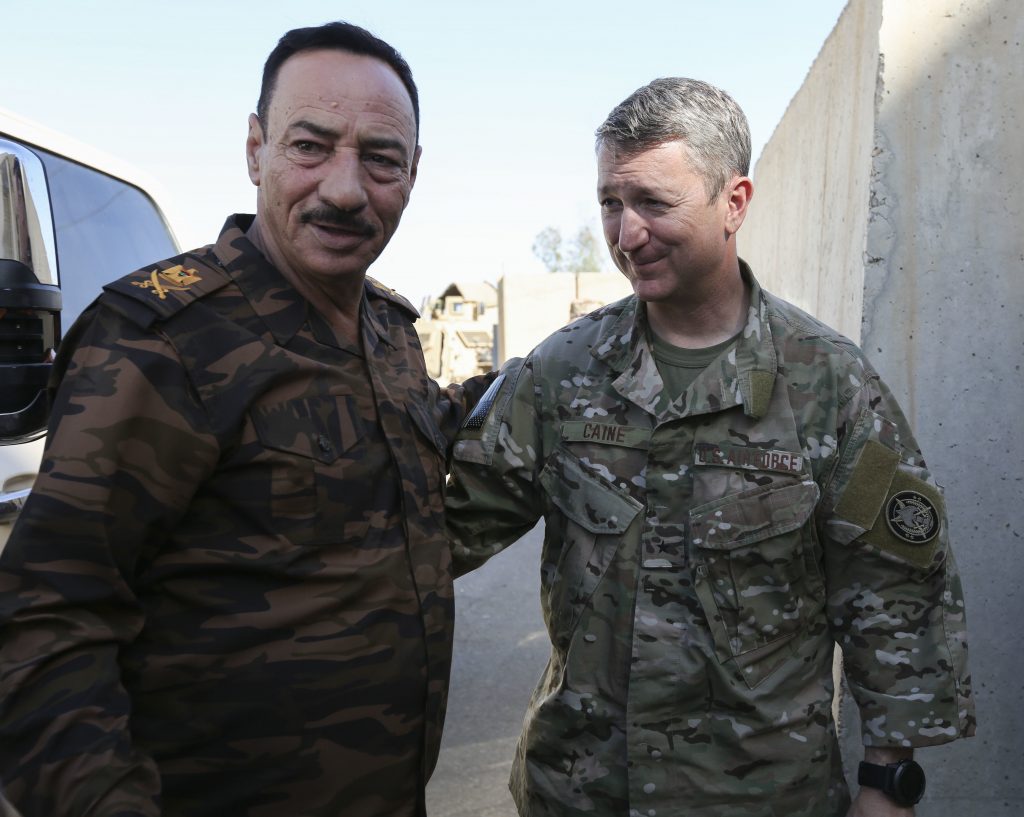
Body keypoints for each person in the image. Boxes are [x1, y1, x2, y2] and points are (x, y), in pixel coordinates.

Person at [445, 78, 974, 817]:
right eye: (610, 202)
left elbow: (896, 591)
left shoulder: (829, 384)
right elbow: (442, 533)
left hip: (763, 798)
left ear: (734, 203)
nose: (626, 234)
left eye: (654, 203)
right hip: (582, 791)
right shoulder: (560, 373)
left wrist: (887, 785)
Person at [0, 22, 490, 817]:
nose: (344, 188)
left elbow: (423, 431)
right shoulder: (163, 341)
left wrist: (563, 369)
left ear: (413, 172)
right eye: (311, 146)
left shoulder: (390, 333)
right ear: (257, 150)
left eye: (380, 158)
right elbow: (45, 625)